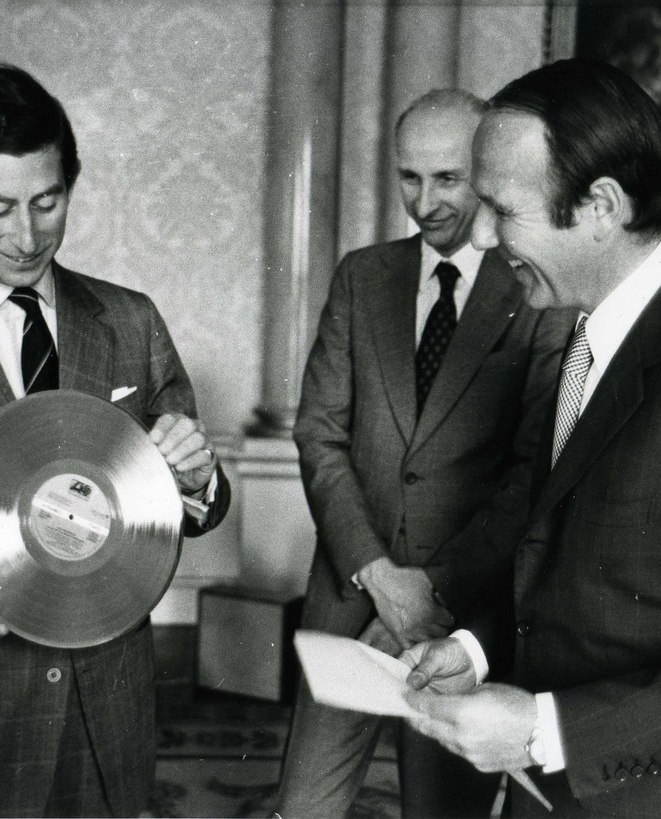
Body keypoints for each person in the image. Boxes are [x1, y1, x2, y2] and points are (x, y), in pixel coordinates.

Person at [0, 64, 230, 818]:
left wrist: (195, 479)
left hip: (107, 717)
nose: (26, 236)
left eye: (48, 201)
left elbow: (200, 502)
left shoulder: (129, 321)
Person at [275, 89, 574, 818]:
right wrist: (379, 574)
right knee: (302, 803)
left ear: (485, 174)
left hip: (463, 610)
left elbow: (531, 471)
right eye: (409, 177)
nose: (425, 199)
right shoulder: (361, 275)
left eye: (447, 179)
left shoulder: (539, 293)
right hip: (352, 589)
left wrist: (434, 589)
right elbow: (319, 432)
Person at [402, 58, 661, 819]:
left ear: (602, 206)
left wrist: (547, 731)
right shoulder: (586, 333)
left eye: (502, 209)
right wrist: (477, 649)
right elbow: (569, 556)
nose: (479, 236)